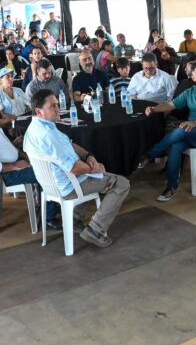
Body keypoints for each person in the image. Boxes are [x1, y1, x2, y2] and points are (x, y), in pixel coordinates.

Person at [23, 90, 131, 248]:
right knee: (121, 184)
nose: (58, 109)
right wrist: (94, 168)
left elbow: (70, 143)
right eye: (53, 106)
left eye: (57, 105)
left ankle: (74, 219)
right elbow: (74, 168)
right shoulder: (47, 134)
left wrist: (88, 156)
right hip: (69, 185)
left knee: (93, 174)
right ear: (39, 111)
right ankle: (96, 230)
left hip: (52, 184)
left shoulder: (36, 127)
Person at [0, 88, 60, 227]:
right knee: (47, 171)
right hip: (3, 174)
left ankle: (46, 202)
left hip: (11, 162)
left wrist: (13, 147)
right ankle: (48, 218)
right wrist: (15, 166)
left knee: (43, 153)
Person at [143, 61, 196, 202]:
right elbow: (170, 105)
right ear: (193, 78)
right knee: (176, 146)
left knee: (182, 130)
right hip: (191, 131)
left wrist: (195, 123)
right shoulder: (190, 92)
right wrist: (154, 109)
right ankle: (172, 187)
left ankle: (151, 153)